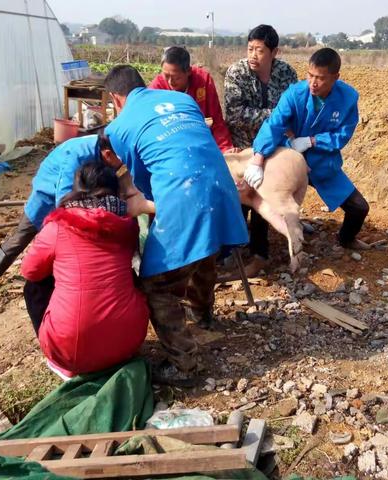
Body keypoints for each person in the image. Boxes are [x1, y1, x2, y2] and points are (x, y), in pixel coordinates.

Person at [103, 65, 248, 386]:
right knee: (205, 251)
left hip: (184, 194)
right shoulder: (182, 102)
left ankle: (183, 365)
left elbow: (141, 179)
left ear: (116, 98)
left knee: (156, 285)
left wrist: (153, 209)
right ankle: (204, 316)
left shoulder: (119, 127)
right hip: (223, 188)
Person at [21, 160, 151, 379]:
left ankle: (59, 359)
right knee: (125, 274)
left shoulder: (59, 225)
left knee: (35, 285)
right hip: (129, 342)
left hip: (71, 351)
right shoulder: (127, 224)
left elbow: (30, 271)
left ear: (77, 189)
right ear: (115, 190)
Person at [245, 47, 370, 250]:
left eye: (320, 78)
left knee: (359, 208)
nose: (313, 82)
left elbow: (342, 135)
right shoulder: (295, 94)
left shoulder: (347, 99)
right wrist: (258, 158)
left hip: (322, 163)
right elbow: (274, 124)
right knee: (265, 198)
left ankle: (346, 239)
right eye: (310, 75)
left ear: (335, 77)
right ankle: (260, 252)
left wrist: (312, 141)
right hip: (290, 158)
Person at [0, 135, 103, 311]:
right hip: (47, 193)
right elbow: (63, 197)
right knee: (21, 237)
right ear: (106, 150)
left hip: (79, 195)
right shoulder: (79, 153)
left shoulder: (108, 151)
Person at [224, 24, 298, 276]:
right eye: (250, 49)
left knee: (263, 197)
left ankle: (259, 254)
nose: (253, 55)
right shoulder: (237, 73)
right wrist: (276, 118)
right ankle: (232, 250)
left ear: (274, 51)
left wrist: (278, 122)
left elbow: (294, 111)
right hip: (243, 146)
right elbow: (235, 115)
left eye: (260, 50)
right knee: (238, 199)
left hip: (275, 149)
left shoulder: (286, 73)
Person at [149, 46, 234, 153]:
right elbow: (150, 125)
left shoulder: (203, 80)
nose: (170, 82)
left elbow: (216, 120)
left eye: (176, 77)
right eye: (166, 76)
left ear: (189, 71)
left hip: (200, 139)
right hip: (170, 142)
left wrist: (225, 148)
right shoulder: (157, 87)